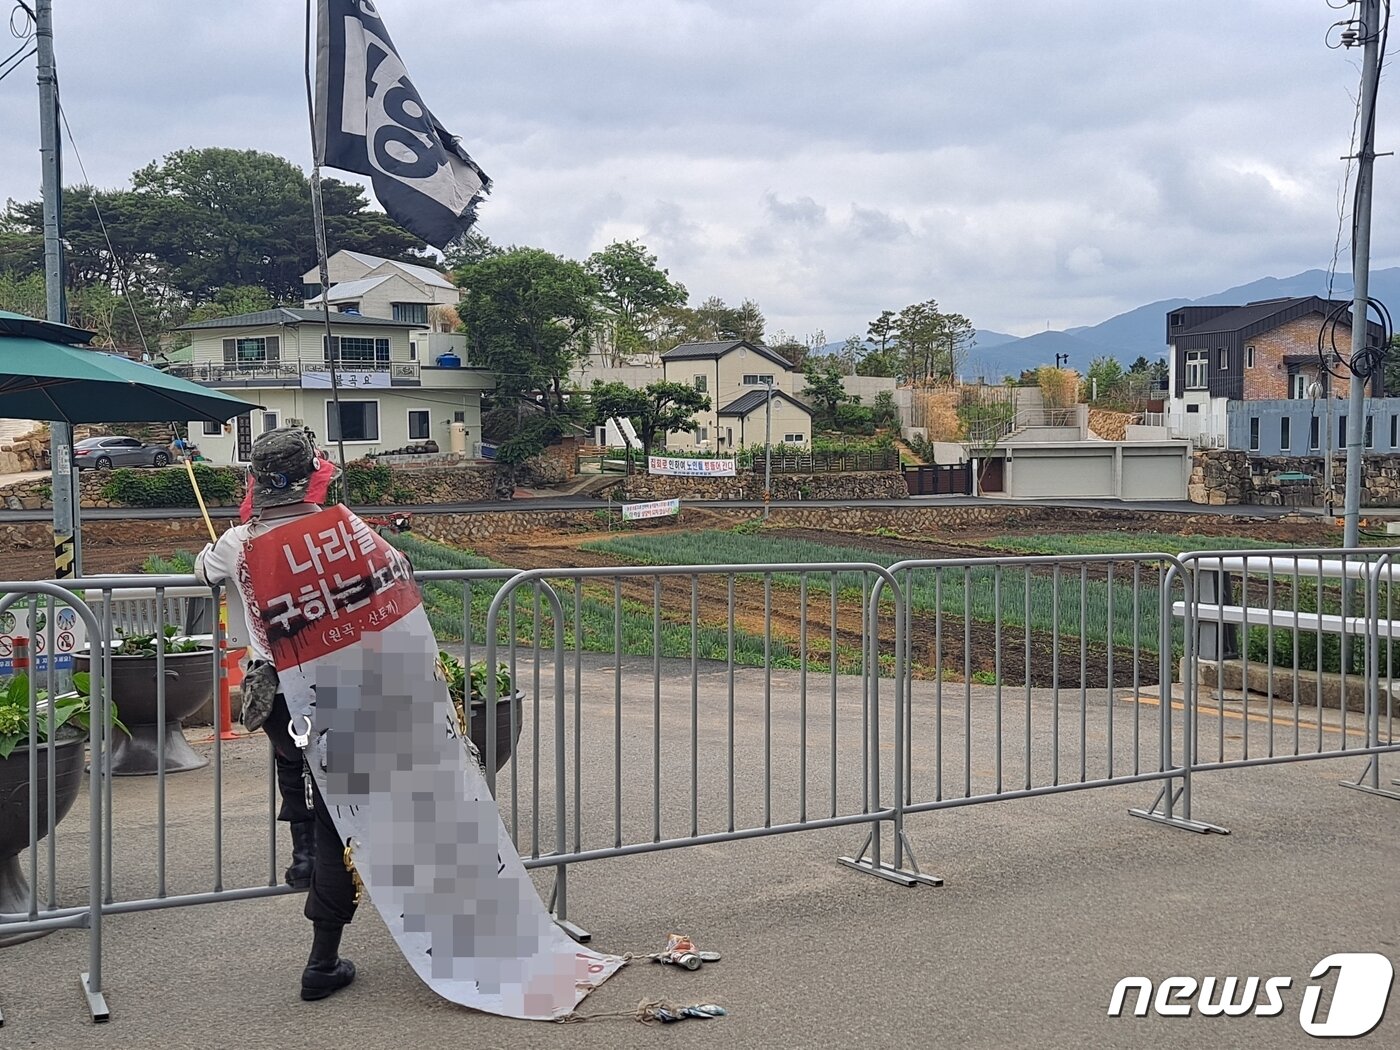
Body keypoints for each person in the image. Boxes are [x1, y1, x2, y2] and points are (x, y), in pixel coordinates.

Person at [195, 428, 357, 1001]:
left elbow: (204, 572)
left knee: (294, 769)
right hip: (344, 687)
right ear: (313, 472)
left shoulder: (238, 541)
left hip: (279, 693)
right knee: (341, 810)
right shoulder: (343, 529)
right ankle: (322, 957)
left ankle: (301, 858)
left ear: (256, 481)